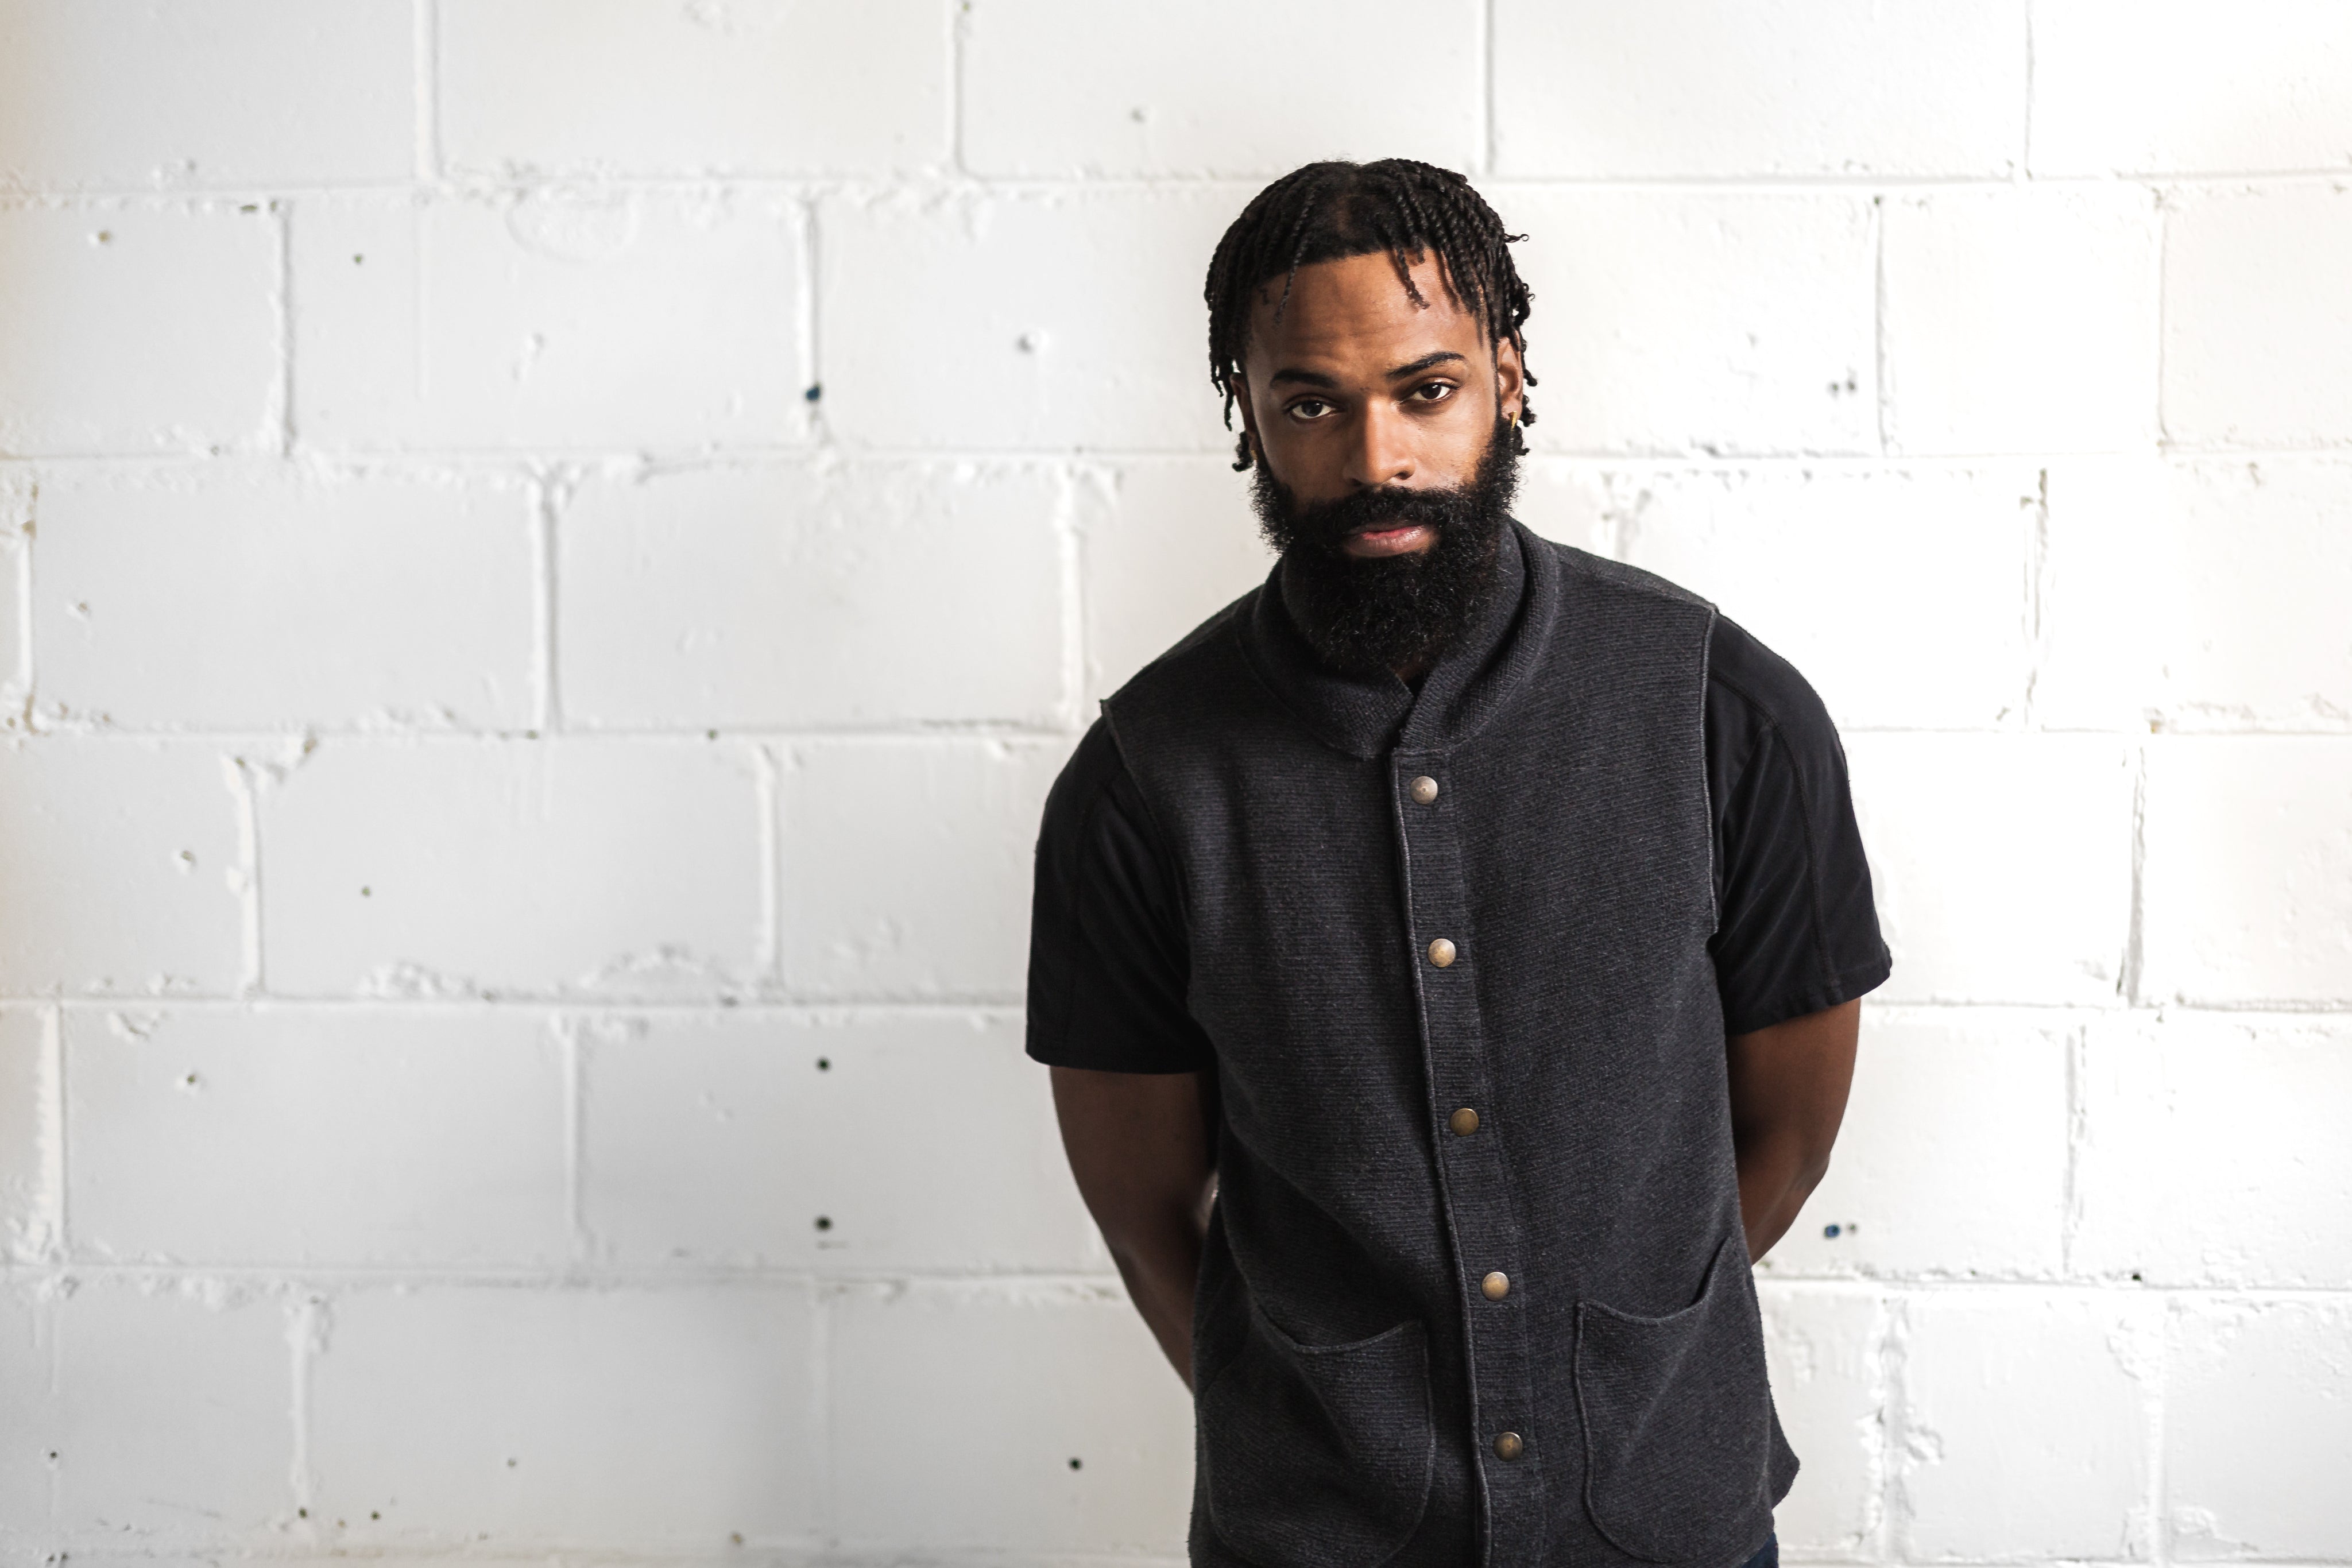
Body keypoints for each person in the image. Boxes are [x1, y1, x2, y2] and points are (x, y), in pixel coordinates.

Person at [1026, 158, 1890, 1568]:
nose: (1377, 460)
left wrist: (1613, 1369)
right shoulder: (1144, 783)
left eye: (1424, 390)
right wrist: (1309, 1421)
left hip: (1665, 1520)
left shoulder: (1724, 716)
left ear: (1507, 375)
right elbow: (1140, 1209)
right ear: (1248, 412)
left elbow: (1783, 1142)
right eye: (1313, 402)